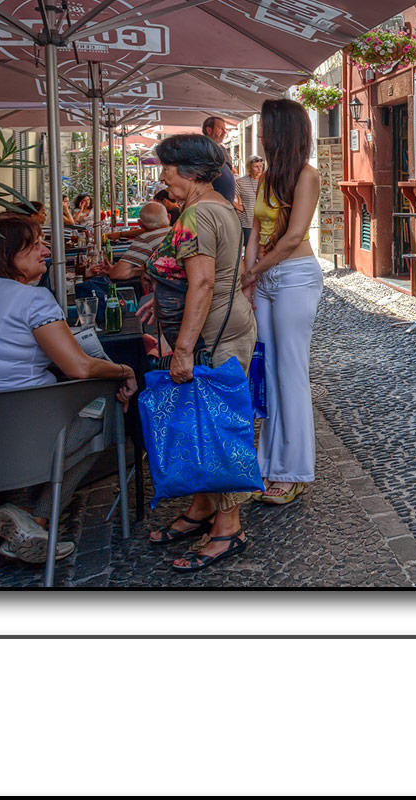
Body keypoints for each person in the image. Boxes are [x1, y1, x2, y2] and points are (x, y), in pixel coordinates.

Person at [0, 215, 138, 565]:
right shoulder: (33, 301)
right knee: (104, 410)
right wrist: (124, 370)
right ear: (5, 253)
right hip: (33, 438)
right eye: (35, 243)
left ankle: (21, 515)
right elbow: (79, 366)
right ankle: (35, 518)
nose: (46, 250)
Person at [144, 133, 258, 571]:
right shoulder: (219, 206)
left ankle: (228, 529)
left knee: (220, 428)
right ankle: (203, 509)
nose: (162, 176)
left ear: (188, 170)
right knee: (208, 422)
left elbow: (205, 282)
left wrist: (184, 348)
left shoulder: (195, 215)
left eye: (167, 168)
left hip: (212, 338)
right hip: (229, 327)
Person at [241, 98, 324, 507]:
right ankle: (269, 465)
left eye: (264, 127)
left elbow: (293, 236)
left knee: (291, 373)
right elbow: (254, 230)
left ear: (280, 133)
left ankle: (294, 471)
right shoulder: (266, 178)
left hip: (295, 277)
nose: (259, 134)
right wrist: (249, 271)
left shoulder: (307, 176)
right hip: (268, 278)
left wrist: (255, 271)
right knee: (269, 372)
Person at [200, 117, 237, 204]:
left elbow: (231, 170)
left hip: (226, 202)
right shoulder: (203, 149)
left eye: (225, 129)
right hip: (212, 203)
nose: (225, 132)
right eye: (221, 129)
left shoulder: (222, 149)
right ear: (209, 130)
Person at [234, 157, 263, 251]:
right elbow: (235, 201)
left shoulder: (267, 181)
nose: (259, 169)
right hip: (248, 224)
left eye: (261, 166)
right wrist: (241, 209)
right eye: (256, 166)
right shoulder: (241, 182)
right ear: (249, 168)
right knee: (250, 250)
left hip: (265, 222)